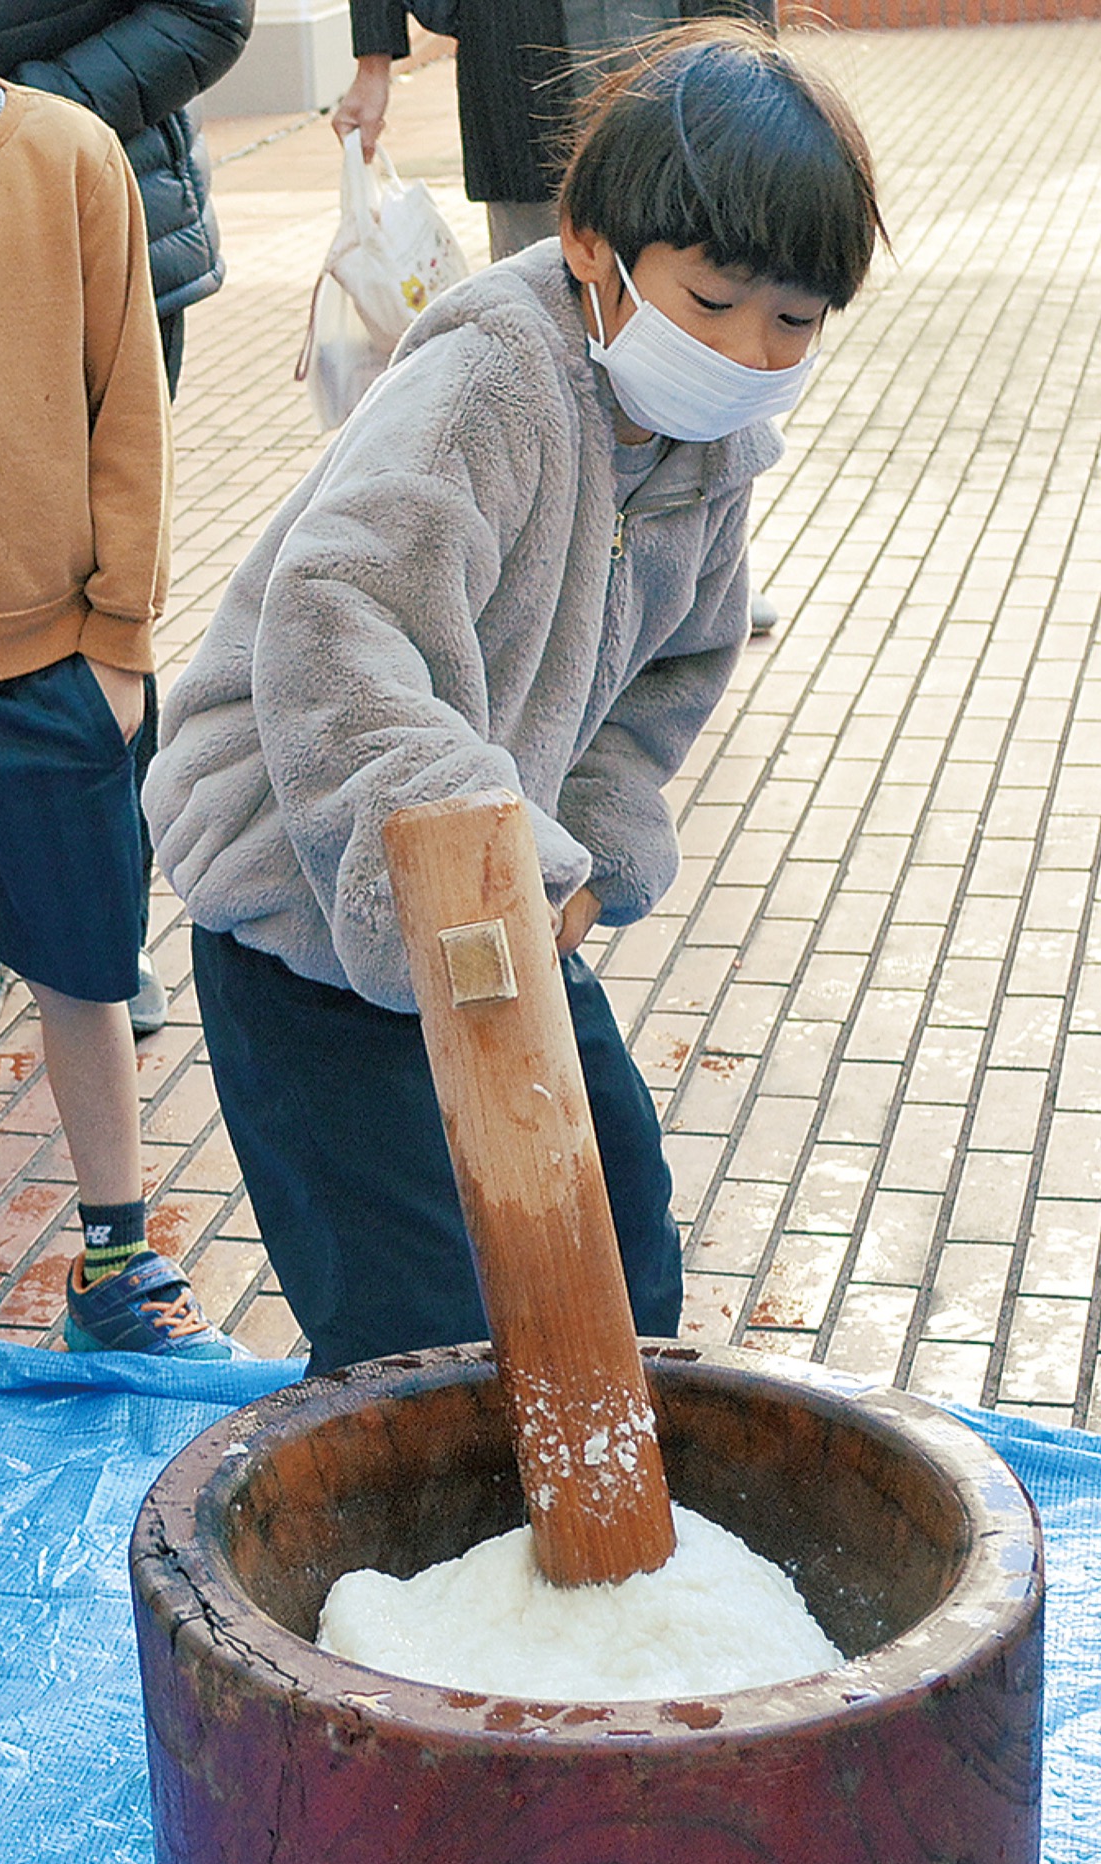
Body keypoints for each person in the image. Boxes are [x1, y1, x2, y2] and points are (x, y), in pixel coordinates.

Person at [146, 22, 886, 1376]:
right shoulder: (493, 380)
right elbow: (335, 619)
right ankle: (403, 1562)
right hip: (308, 908)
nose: (753, 351)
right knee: (418, 1322)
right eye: (715, 305)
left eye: (796, 319)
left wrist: (586, 855)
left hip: (501, 894)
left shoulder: (708, 449)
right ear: (596, 247)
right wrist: (478, 865)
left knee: (620, 1245)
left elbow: (671, 671)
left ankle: (597, 1546)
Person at [0, 0, 244, 1439]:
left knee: (89, 973)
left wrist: (119, 638)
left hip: (58, 667)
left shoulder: (70, 156)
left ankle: (117, 1251)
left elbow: (130, 416)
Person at [0, 0, 255, 1046]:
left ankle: (104, 911)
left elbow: (207, 12)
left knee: (95, 565)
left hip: (72, 201)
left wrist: (25, 125)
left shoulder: (59, 152)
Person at [340, 1, 783, 632]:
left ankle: (702, 571)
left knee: (711, 331)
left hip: (687, 77)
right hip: (531, 79)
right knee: (542, 356)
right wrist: (374, 65)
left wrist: (764, 78)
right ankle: (547, 582)